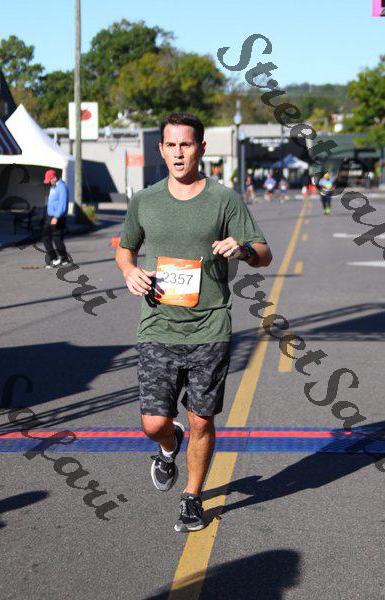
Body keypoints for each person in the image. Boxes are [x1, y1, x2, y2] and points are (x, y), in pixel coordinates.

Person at [115, 112, 272, 533]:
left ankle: (192, 495)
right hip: (158, 326)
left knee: (202, 419)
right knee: (153, 423)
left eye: (186, 144)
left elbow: (264, 252)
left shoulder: (224, 199)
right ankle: (169, 446)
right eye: (171, 145)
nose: (178, 153)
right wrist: (129, 271)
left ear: (201, 148)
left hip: (210, 328)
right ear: (161, 149)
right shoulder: (145, 201)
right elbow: (125, 248)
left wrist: (243, 250)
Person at [42, 169, 70, 268]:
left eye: (49, 180)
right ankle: (60, 259)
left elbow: (62, 204)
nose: (49, 182)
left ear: (54, 177)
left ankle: (60, 259)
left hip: (57, 217)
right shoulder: (54, 186)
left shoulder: (62, 187)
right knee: (50, 237)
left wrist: (56, 217)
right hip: (50, 216)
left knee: (55, 238)